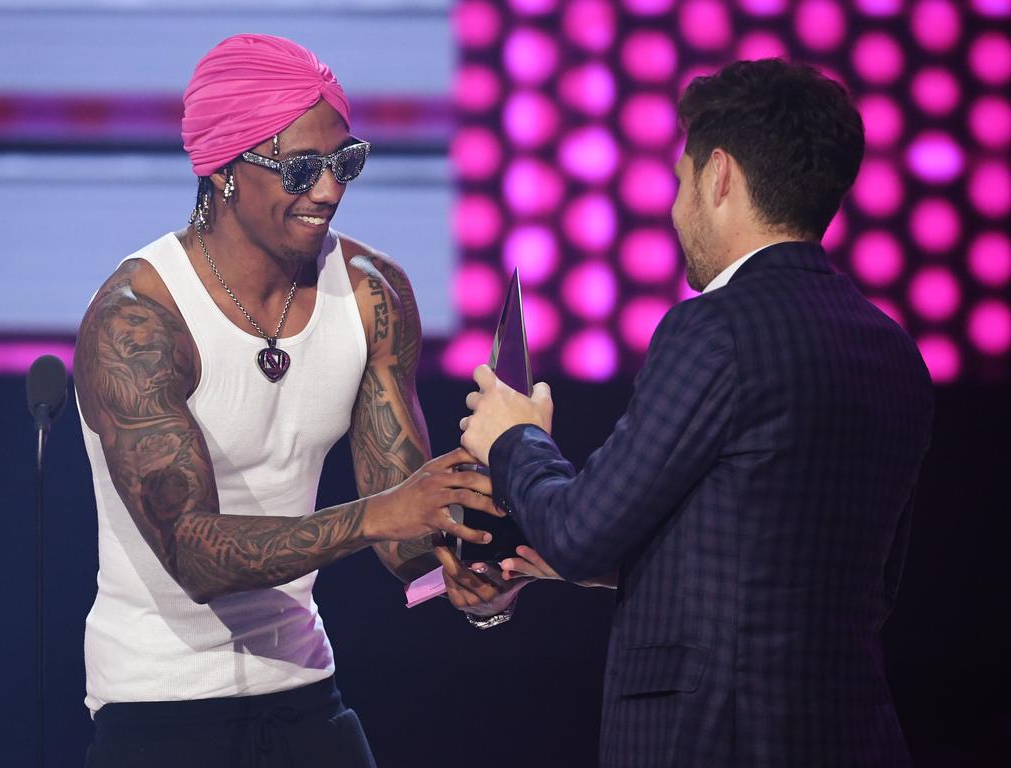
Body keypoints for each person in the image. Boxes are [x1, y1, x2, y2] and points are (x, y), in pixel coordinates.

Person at [460, 59, 934, 767]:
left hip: (715, 740)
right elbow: (845, 577)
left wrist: (515, 436)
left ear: (718, 177)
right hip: (853, 733)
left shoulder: (713, 328)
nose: (676, 210)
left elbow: (579, 531)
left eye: (680, 183)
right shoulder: (893, 351)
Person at [74, 33, 507, 767]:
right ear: (223, 170)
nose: (330, 190)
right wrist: (380, 515)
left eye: (346, 163)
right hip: (159, 709)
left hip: (307, 689)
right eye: (301, 169)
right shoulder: (138, 318)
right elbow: (193, 554)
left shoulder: (374, 292)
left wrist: (458, 573)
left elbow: (402, 528)